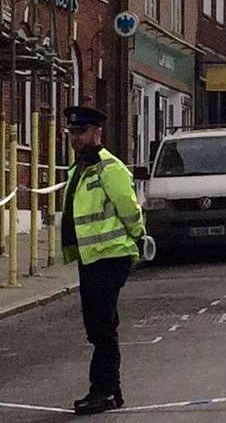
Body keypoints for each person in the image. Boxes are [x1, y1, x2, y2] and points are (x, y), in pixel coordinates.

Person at [61, 105, 146, 416]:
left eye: (80, 133)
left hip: (111, 255)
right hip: (92, 257)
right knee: (98, 325)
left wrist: (138, 236)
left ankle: (103, 390)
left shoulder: (110, 169)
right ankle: (112, 391)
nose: (75, 139)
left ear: (97, 133)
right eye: (72, 133)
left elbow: (129, 208)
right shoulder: (80, 169)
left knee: (101, 326)